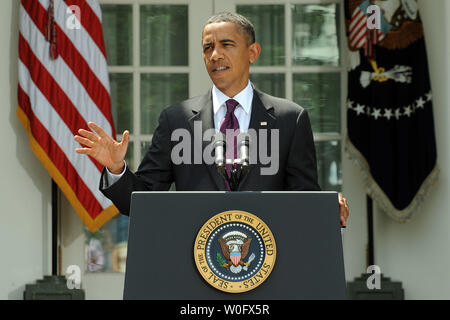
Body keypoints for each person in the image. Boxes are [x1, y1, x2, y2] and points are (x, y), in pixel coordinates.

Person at [74, 12, 349, 227]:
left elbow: (303, 199)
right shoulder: (176, 120)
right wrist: (117, 168)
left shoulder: (291, 119)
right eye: (208, 48)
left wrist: (326, 206)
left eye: (226, 44)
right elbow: (140, 202)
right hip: (194, 265)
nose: (215, 54)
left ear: (253, 52)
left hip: (268, 266)